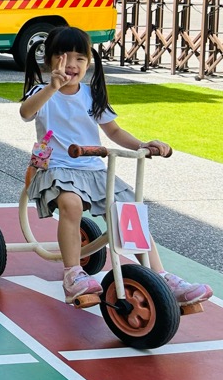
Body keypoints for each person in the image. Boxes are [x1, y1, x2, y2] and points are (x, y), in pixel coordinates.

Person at [20, 25, 212, 306]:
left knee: (129, 211)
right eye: (63, 57)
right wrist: (52, 87)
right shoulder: (43, 92)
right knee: (71, 204)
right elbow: (26, 112)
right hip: (56, 168)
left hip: (94, 170)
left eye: (79, 58)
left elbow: (114, 131)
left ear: (89, 62)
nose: (71, 64)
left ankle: (160, 275)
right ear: (49, 60)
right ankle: (72, 274)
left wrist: (142, 145)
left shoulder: (91, 94)